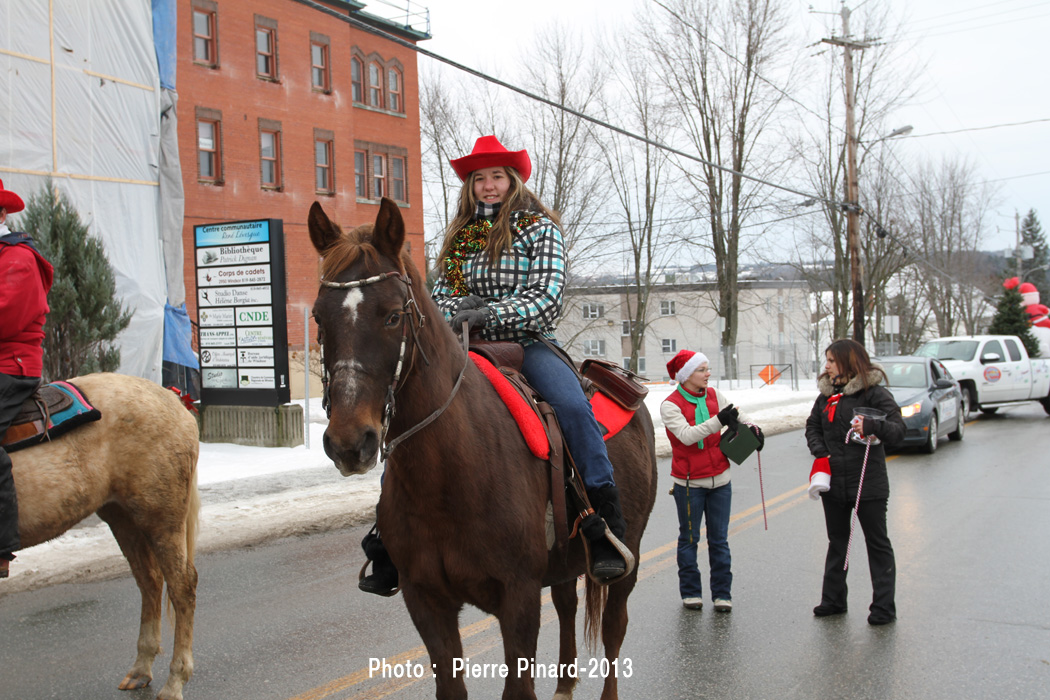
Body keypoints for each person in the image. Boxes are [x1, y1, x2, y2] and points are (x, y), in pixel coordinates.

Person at [358, 135, 630, 595]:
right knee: (411, 408)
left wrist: (489, 313)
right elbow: (439, 296)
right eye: (479, 178)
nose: (488, 185)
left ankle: (603, 520)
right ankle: (388, 532)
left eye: (497, 176)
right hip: (466, 344)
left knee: (571, 406)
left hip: (528, 342)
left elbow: (545, 298)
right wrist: (459, 310)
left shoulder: (540, 228)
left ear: (513, 180)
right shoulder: (463, 235)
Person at [804, 339, 905, 626]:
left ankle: (883, 608)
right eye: (826, 360)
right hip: (834, 483)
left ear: (848, 362)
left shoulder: (875, 394)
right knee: (838, 542)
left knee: (877, 544)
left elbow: (899, 430)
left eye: (832, 361)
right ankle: (833, 600)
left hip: (868, 483)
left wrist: (873, 426)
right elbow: (812, 426)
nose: (826, 366)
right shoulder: (826, 397)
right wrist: (821, 452)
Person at [661, 349, 764, 612]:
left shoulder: (715, 395)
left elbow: (739, 415)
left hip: (721, 481)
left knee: (719, 540)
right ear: (686, 375)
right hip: (689, 485)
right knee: (689, 539)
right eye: (702, 369)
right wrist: (719, 421)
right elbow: (687, 436)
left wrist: (754, 429)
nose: (708, 374)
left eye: (707, 368)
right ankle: (691, 592)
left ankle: (722, 594)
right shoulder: (670, 405)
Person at [0, 179, 54, 579]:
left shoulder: (18, 258)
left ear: (2, 214)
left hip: (12, 365)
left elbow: (6, 317)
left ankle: (1, 545)